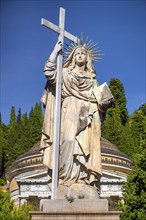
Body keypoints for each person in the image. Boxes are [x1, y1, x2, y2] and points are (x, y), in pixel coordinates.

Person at [40, 40, 111, 193]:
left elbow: (99, 102)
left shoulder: (92, 80)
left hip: (87, 115)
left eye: (83, 53)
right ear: (72, 57)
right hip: (69, 111)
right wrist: (54, 52)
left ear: (87, 58)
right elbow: (49, 72)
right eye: (77, 53)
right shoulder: (65, 73)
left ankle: (82, 179)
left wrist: (104, 103)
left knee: (86, 148)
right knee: (68, 141)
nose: (80, 55)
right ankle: (65, 179)